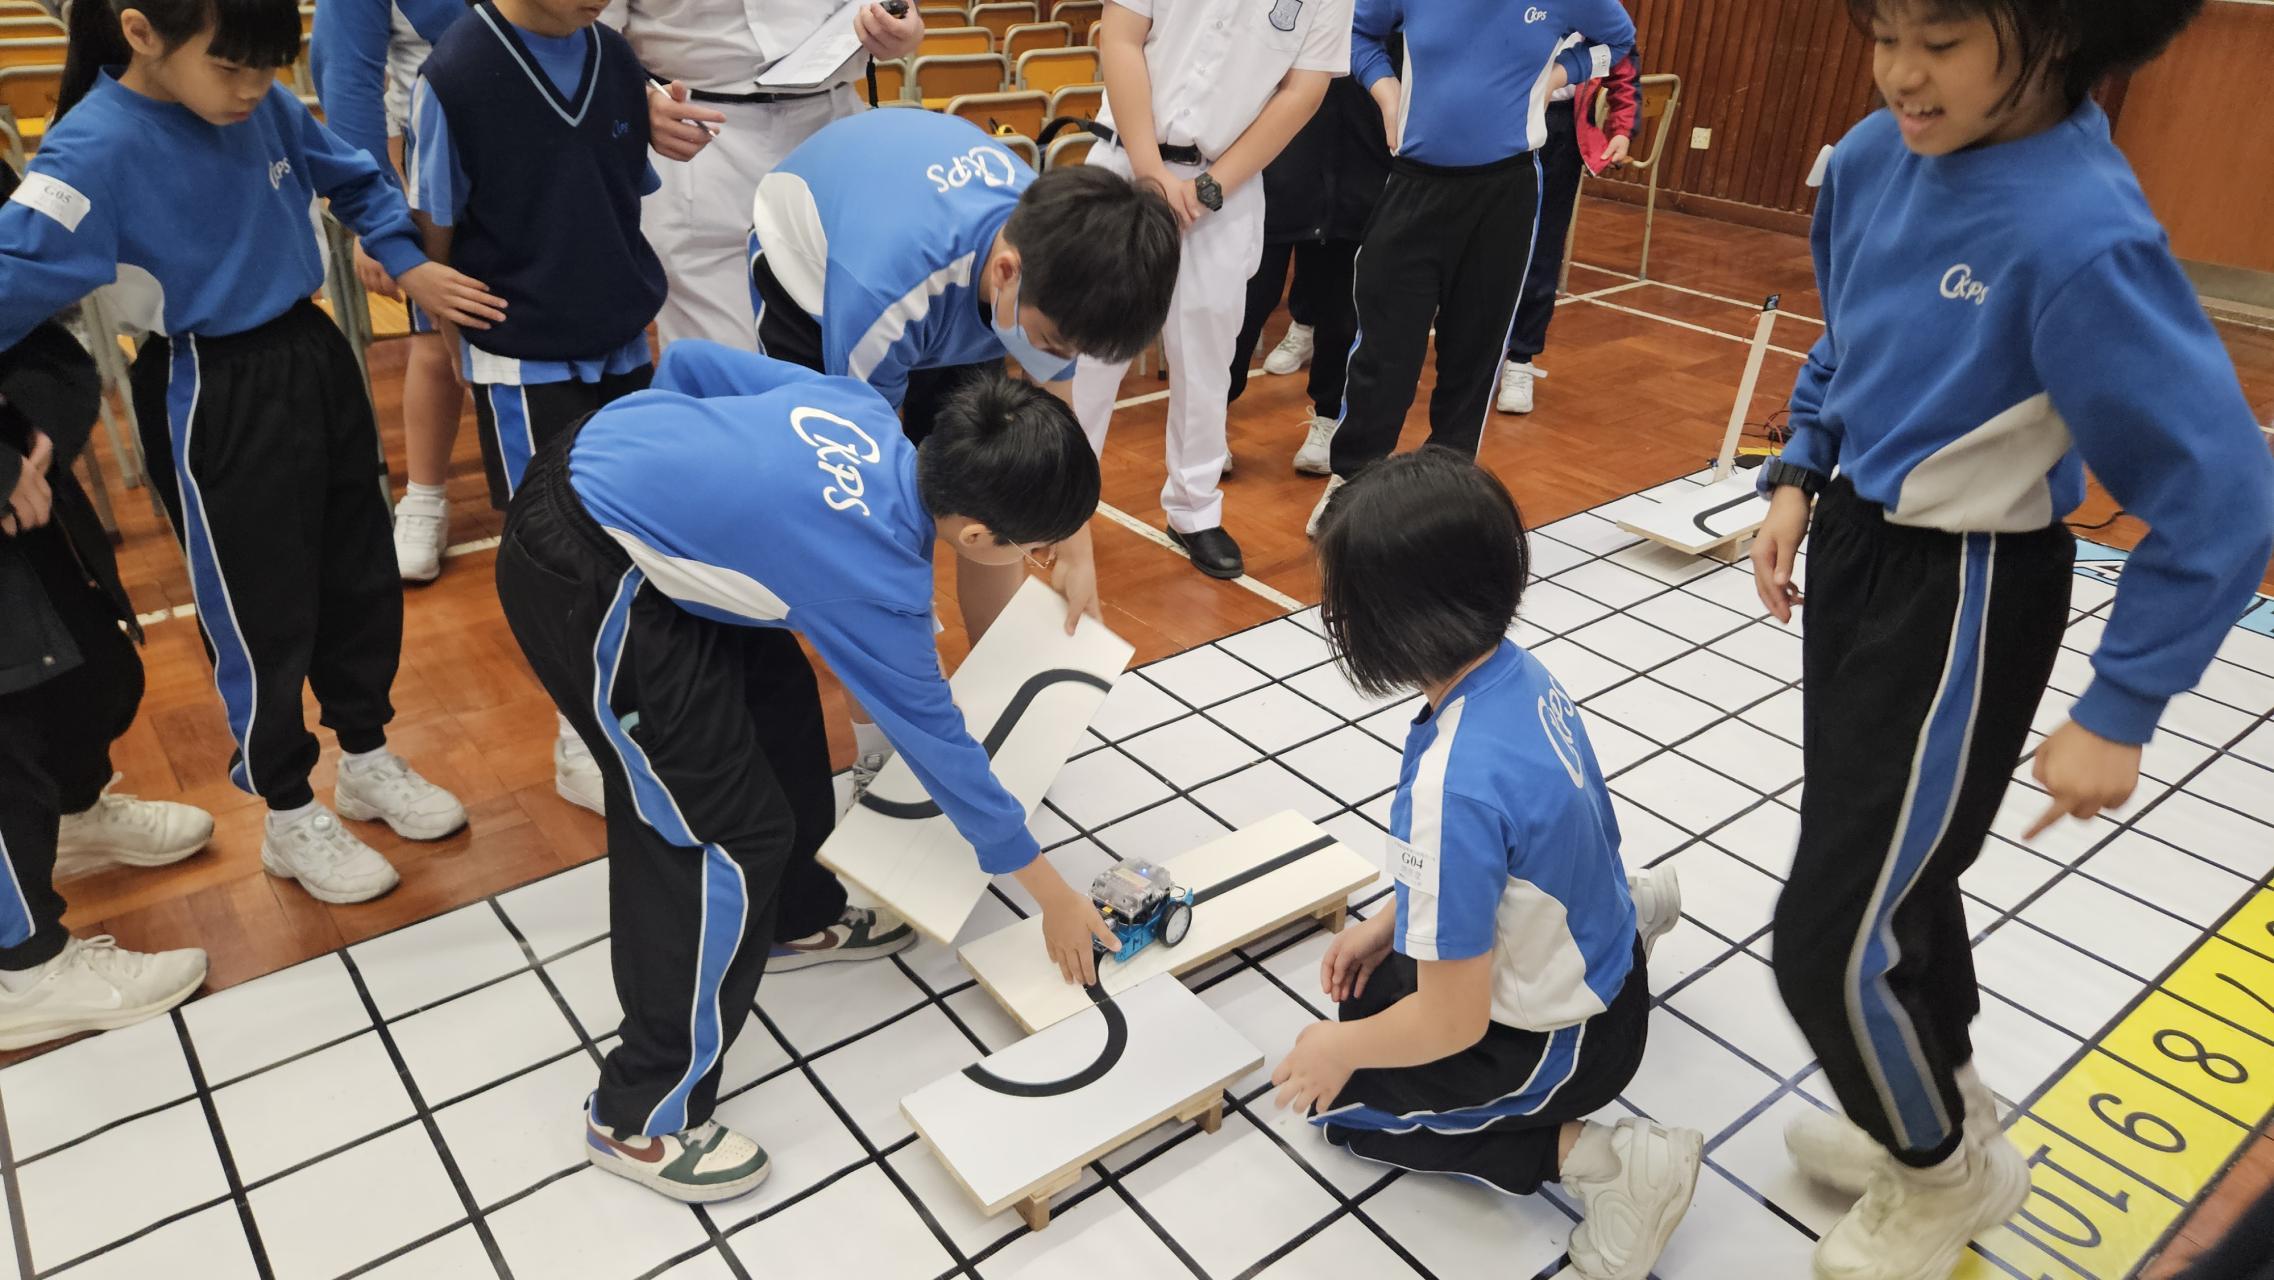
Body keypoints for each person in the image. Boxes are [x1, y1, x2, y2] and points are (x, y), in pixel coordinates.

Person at [1748, 2, 2274, 1276]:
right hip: (1861, 548)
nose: (1900, 73)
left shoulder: (2080, 233)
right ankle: (1941, 1101)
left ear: (2060, 32)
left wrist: (2119, 708)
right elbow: (1852, 332)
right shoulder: (1873, 154)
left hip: (1969, 588)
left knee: (1828, 939)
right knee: (1898, 875)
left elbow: (2223, 493)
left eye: (1941, 41)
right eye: (1884, 32)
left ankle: (1943, 1173)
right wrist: (1800, 468)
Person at [494, 340, 1124, 1201]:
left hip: (617, 472)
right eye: (1039, 552)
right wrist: (1053, 894)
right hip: (585, 561)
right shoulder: (874, 586)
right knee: (718, 830)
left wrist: (705, 482)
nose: (1039, 562)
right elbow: (945, 754)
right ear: (979, 537)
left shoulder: (863, 413)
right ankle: (640, 1113)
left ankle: (794, 917)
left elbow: (695, 365)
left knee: (783, 705)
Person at [0, 0, 507, 904]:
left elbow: (353, 176)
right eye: (230, 67)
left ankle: (366, 755)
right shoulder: (88, 150)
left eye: (268, 67)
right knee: (258, 609)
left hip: (314, 353)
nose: (251, 89)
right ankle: (286, 809)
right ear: (140, 32)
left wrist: (404, 256)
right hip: (208, 385)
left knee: (358, 572)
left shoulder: (262, 101)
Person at [1275, 449, 1699, 1280]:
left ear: (1397, 622)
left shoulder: (1453, 786)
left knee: (1347, 1110)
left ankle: (1616, 1166)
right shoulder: (1514, 672)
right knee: (1374, 997)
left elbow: (1454, 1024)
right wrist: (1389, 922)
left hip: (1568, 1043)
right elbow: (1505, 850)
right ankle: (1633, 913)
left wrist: (1333, 1049)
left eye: (1343, 606)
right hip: (1595, 938)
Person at [746, 107, 1179, 800]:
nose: (1055, 360)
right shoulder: (885, 295)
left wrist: (1076, 548)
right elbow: (864, 498)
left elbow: (1051, 435)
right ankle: (877, 752)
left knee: (998, 496)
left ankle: (999, 700)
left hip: (953, 284)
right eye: (1055, 345)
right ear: (1007, 272)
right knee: (869, 544)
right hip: (814, 275)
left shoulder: (1064, 269)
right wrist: (905, 628)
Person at [408, 0, 696, 816]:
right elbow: (434, 229)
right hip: (523, 357)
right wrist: (447, 335)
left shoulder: (614, 56)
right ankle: (581, 737)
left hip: (621, 342)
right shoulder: (455, 74)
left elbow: (617, 192)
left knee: (634, 538)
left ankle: (637, 709)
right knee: (563, 558)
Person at [1308, 0, 1635, 537]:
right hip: (1414, 184)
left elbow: (1617, 43)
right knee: (1385, 352)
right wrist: (1387, 93)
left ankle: (1449, 493)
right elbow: (1356, 34)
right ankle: (1352, 480)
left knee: (1474, 352)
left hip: (1505, 194)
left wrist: (1558, 73)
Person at [0, 269, 212, 1051]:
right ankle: (23, 969)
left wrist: (37, 428)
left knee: (86, 659)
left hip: (23, 464)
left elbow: (31, 304)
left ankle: (75, 812)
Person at [1068, 0, 1348, 581]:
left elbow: (1302, 91)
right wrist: (1150, 171)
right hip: (1125, 162)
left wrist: (1209, 188)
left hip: (1225, 185)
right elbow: (1121, 38)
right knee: (1090, 352)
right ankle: (1058, 497)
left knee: (1207, 357)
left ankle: (1194, 508)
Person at [609, 0, 923, 350]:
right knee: (725, 364)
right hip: (698, 132)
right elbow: (585, 33)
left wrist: (902, 26)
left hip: (832, 122)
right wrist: (638, 100)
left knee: (853, 353)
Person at [308, 0, 474, 582]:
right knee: (436, 338)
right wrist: (375, 214)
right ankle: (424, 496)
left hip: (547, 154)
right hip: (438, 167)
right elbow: (348, 82)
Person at [1224, 69, 1390, 477]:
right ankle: (1210, 420)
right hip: (1274, 174)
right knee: (1245, 307)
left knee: (1342, 316)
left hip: (1358, 179)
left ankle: (1329, 418)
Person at [1497, 52, 1638, 417]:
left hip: (1560, 129)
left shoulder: (1597, 20)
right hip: (1497, 118)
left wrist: (1621, 129)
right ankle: (1471, 351)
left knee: (1543, 248)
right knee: (1483, 244)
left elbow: (1622, 61)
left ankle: (1520, 359)